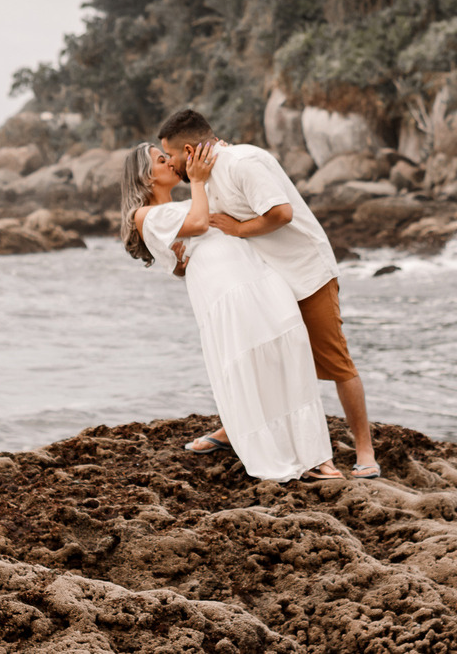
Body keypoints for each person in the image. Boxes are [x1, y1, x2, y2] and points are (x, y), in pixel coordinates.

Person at [158, 109, 381, 479]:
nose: (170, 163)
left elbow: (281, 213)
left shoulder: (242, 163)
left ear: (189, 150)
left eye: (171, 155)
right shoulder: (204, 179)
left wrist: (240, 230)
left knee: (335, 360)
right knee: (264, 360)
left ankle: (365, 451)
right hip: (266, 281)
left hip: (306, 273)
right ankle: (234, 429)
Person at [120, 140, 343, 483]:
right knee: (247, 363)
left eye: (167, 157)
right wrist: (197, 181)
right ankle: (274, 452)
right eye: (161, 160)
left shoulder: (189, 201)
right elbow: (197, 225)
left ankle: (316, 455)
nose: (170, 163)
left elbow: (220, 211)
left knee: (289, 354)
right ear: (146, 176)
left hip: (260, 275)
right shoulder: (145, 215)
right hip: (223, 290)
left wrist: (217, 152)